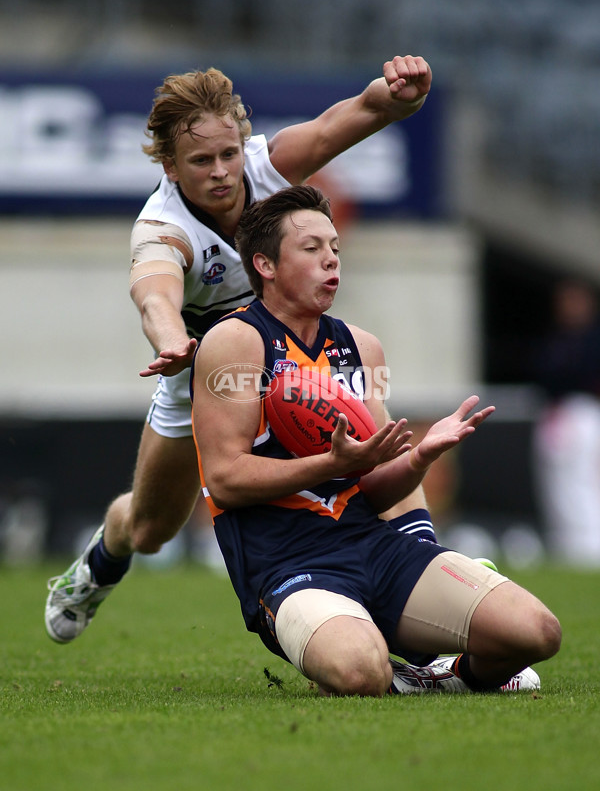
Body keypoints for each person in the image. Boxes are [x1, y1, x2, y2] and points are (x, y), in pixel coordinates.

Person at [45, 55, 440, 643]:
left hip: (296, 363)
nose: (222, 171)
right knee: (153, 529)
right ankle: (100, 563)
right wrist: (174, 341)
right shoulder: (162, 227)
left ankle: (431, 565)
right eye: (201, 160)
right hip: (210, 384)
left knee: (374, 436)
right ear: (171, 166)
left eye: (228, 153)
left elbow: (352, 115)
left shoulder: (271, 167)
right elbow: (155, 293)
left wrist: (401, 97)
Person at [191, 185, 561, 697]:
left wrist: (419, 459)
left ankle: (446, 677)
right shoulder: (234, 342)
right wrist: (329, 463)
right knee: (361, 671)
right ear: (266, 265)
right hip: (288, 565)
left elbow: (376, 486)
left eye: (336, 249)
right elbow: (225, 481)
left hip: (375, 546)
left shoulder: (364, 348)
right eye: (312, 248)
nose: (331, 261)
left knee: (536, 633)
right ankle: (375, 656)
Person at [531, 279, 600, 565]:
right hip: (556, 414)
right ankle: (567, 548)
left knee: (582, 483)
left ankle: (589, 547)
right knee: (557, 486)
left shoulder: (592, 340)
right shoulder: (556, 339)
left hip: (584, 412)